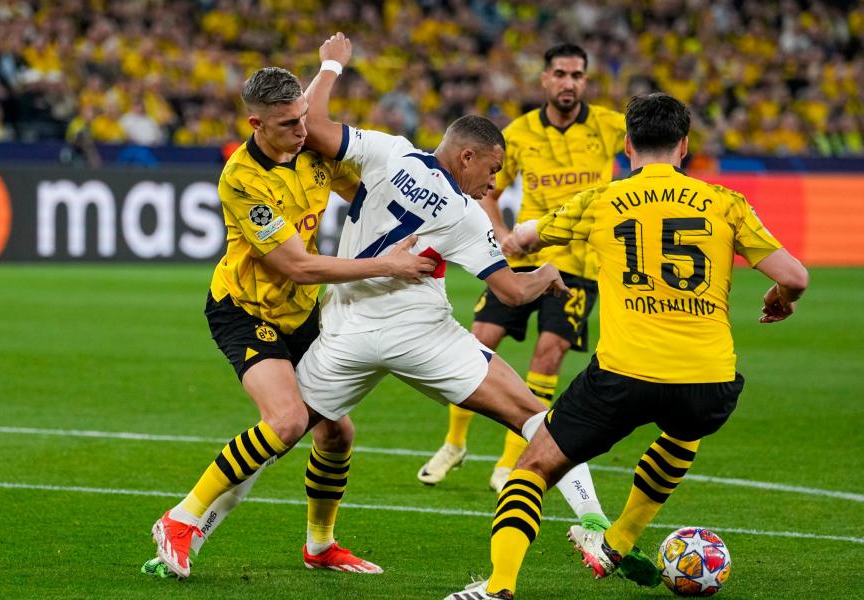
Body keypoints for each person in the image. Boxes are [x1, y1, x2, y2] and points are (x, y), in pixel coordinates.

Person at [446, 93, 809, 599]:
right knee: (685, 429)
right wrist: (782, 297)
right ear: (684, 146)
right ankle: (618, 539)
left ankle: (499, 587)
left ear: (626, 145)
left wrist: (517, 237)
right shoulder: (726, 203)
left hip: (623, 376)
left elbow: (523, 241)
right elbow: (795, 275)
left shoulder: (601, 200)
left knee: (532, 468)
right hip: (709, 380)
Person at [294, 32, 626, 550]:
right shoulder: (468, 212)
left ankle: (196, 519)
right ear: (468, 156)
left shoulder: (390, 152)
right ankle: (593, 527)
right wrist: (544, 273)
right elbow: (514, 292)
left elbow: (311, 126)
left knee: (287, 428)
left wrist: (331, 66)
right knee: (535, 415)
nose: (495, 184)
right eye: (493, 171)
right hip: (419, 332)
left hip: (346, 325)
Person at [147, 65, 437, 579]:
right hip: (245, 311)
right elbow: (297, 265)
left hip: (301, 311)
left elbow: (369, 196)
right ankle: (181, 519)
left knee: (337, 434)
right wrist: (387, 264)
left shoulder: (314, 149)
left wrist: (438, 212)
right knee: (286, 421)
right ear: (256, 123)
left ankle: (320, 545)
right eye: (288, 125)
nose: (303, 131)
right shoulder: (241, 180)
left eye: (304, 118)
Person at [417, 43, 628, 494]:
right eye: (560, 73)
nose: (569, 82)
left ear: (586, 81)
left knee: (548, 353)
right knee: (478, 342)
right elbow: (490, 190)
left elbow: (649, 156)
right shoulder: (519, 132)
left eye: (577, 75)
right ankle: (454, 443)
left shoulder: (610, 127)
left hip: (579, 265)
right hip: (523, 257)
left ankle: (514, 459)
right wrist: (499, 231)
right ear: (545, 79)